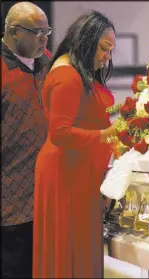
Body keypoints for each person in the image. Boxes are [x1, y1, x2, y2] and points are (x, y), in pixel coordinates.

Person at [33, 10, 118, 278]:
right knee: (69, 252)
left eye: (111, 50)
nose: (107, 57)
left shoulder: (75, 71)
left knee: (78, 251)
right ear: (87, 40)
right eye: (104, 49)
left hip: (79, 174)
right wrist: (107, 134)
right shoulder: (67, 76)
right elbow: (61, 133)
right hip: (67, 175)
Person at [1, 2, 52, 278]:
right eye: (37, 32)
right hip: (10, 206)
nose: (44, 38)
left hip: (45, 201)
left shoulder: (47, 62)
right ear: (13, 32)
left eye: (47, 31)